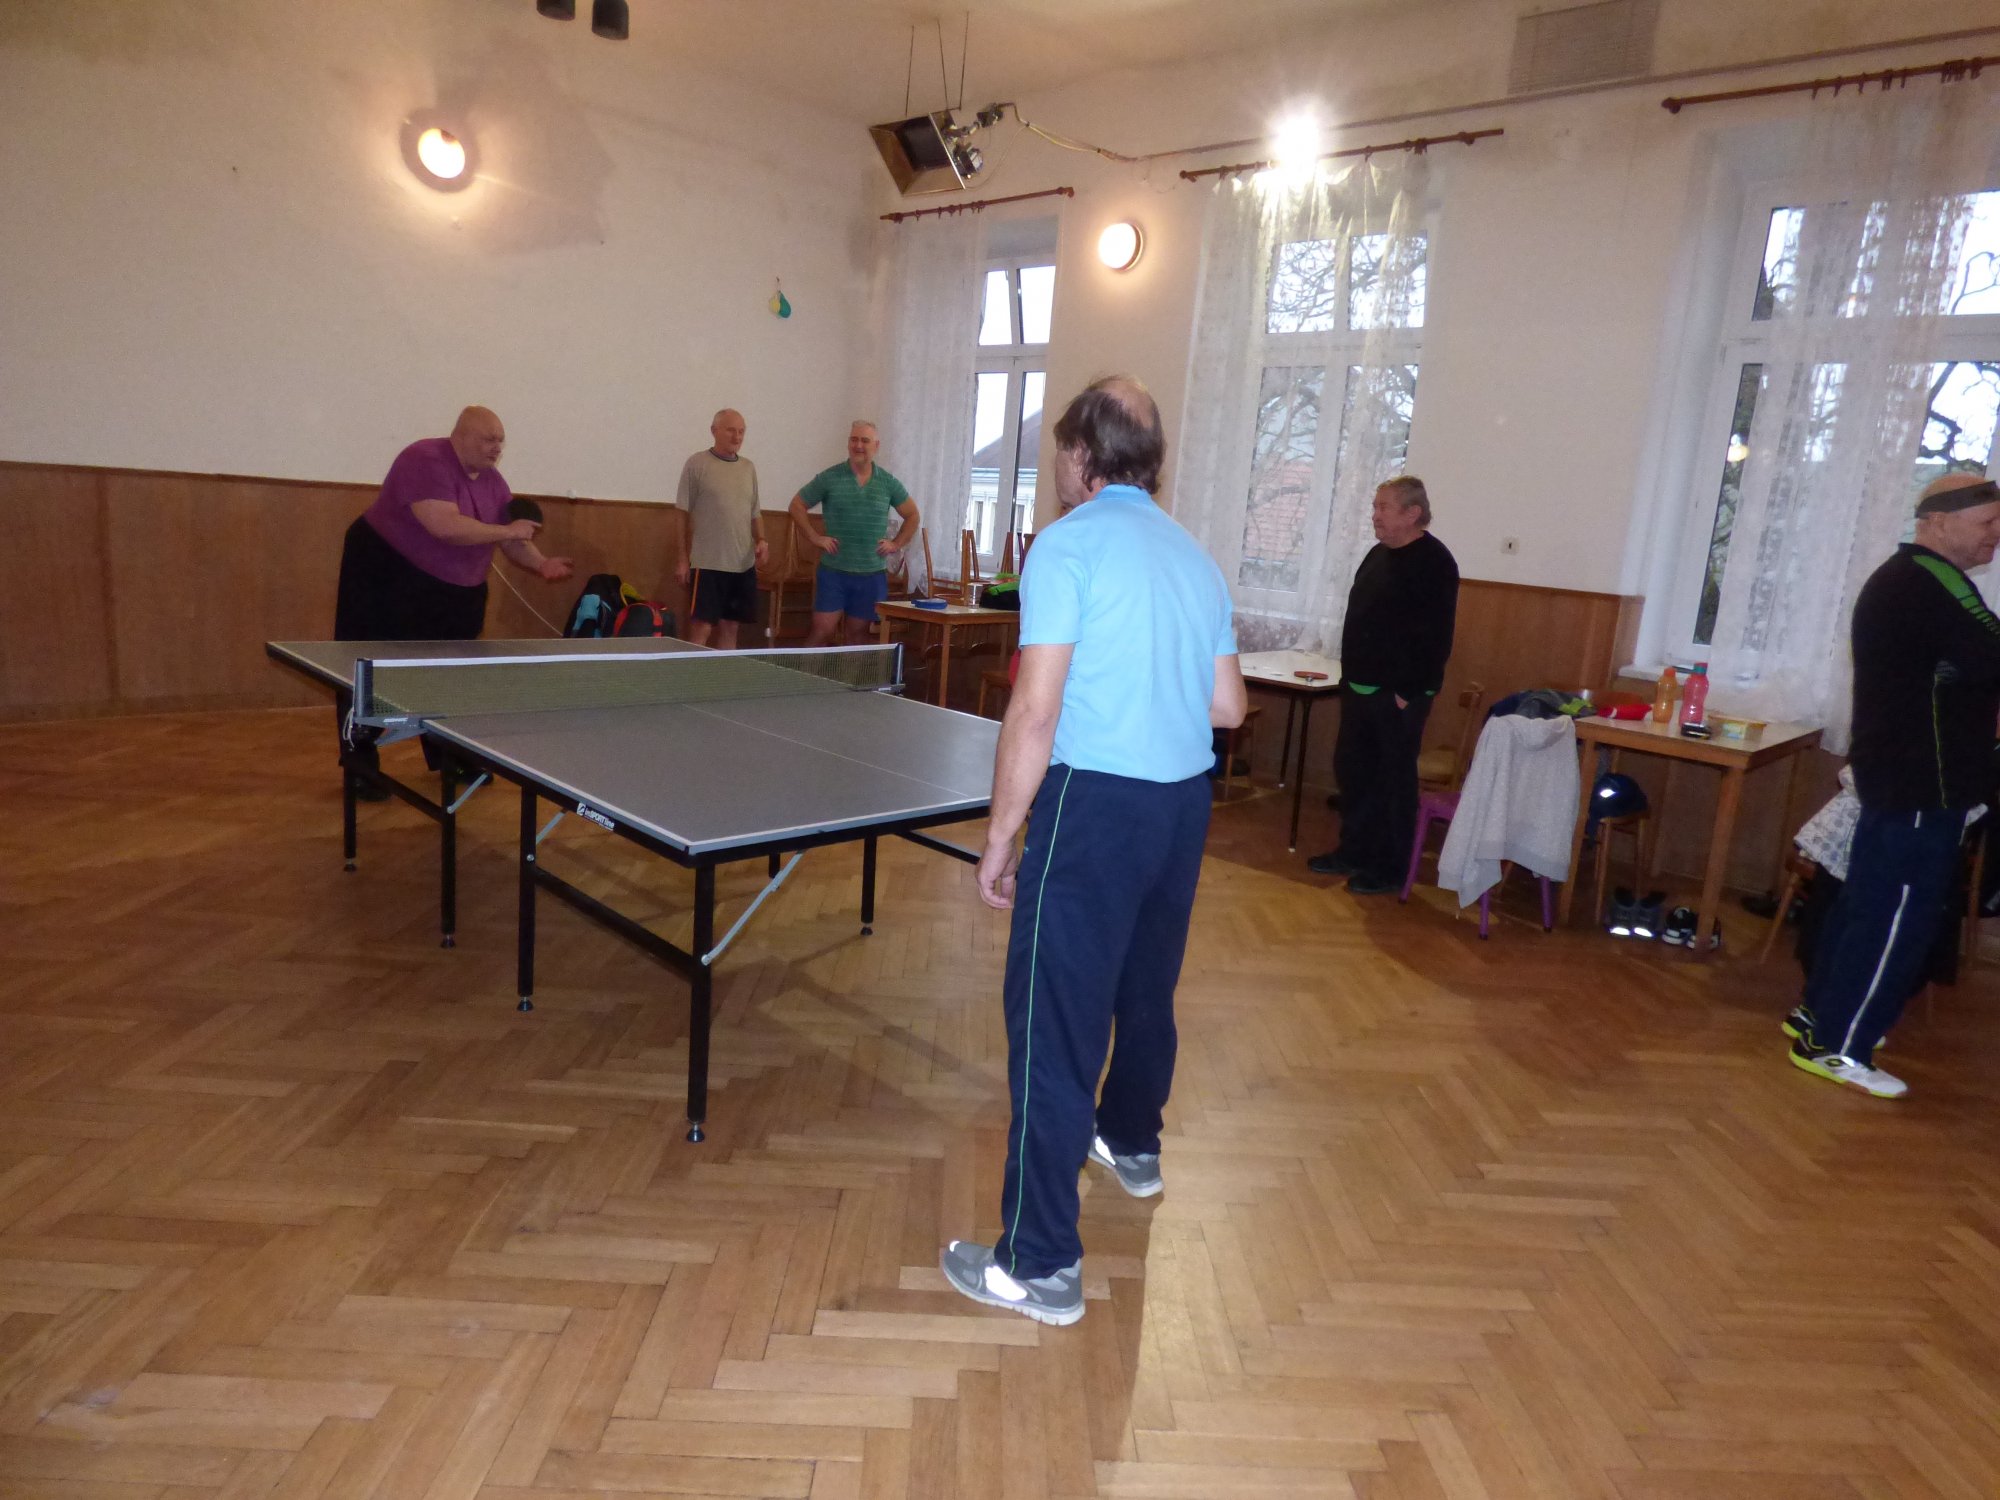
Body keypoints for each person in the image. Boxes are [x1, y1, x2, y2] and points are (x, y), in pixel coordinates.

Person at [940, 377, 1246, 1326]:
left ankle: (1038, 1264)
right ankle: (1133, 1142)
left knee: (1054, 1023)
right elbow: (1228, 706)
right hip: (1181, 808)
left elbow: (1035, 711)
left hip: (1093, 806)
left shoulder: (1067, 546)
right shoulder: (1195, 558)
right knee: (1145, 989)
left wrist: (1001, 836)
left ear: (1079, 456)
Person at [1784, 470, 2000, 1099]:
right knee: (1897, 915)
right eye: (1987, 522)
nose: (1995, 535)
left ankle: (1819, 1017)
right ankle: (1838, 1045)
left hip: (1901, 775)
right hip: (1921, 782)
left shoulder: (1915, 579)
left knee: (1866, 904)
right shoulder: (1929, 582)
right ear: (1938, 521)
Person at [332, 406, 572, 787]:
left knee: (448, 673)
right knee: (373, 669)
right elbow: (445, 526)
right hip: (386, 573)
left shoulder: (494, 482)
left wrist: (541, 563)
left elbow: (513, 536)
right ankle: (360, 762)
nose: (497, 448)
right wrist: (508, 532)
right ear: (461, 435)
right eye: (488, 439)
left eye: (501, 441)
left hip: (453, 588)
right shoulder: (424, 459)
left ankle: (449, 754)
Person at [1308, 476, 1458, 894]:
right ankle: (1354, 851)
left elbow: (1435, 638)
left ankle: (1391, 869)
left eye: (1384, 507)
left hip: (1399, 695)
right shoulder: (1377, 554)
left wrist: (1406, 692)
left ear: (1413, 513)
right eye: (1375, 506)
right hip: (1359, 687)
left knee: (1391, 782)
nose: (1375, 515)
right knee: (1354, 773)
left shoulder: (1434, 563)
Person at [787, 421, 919, 645]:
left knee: (857, 636)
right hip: (834, 571)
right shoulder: (830, 477)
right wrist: (814, 537)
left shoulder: (888, 482)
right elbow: (796, 505)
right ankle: (804, 670)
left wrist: (896, 544)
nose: (858, 445)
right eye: (854, 439)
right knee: (822, 631)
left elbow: (913, 515)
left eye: (864, 441)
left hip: (871, 574)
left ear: (876, 446)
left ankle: (849, 671)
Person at [674, 408, 767, 650]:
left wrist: (762, 540)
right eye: (731, 430)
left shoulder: (748, 468)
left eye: (741, 432)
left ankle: (724, 674)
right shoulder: (697, 464)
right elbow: (681, 513)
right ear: (714, 431)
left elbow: (755, 512)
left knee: (730, 629)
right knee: (702, 629)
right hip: (708, 564)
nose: (737, 437)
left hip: (741, 565)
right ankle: (693, 674)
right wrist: (683, 559)